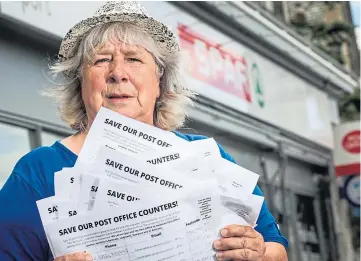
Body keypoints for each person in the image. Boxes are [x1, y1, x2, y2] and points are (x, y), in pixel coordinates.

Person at [0, 1, 288, 261]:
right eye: (101, 60)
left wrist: (259, 252)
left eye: (134, 59)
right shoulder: (38, 172)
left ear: (160, 81)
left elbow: (278, 249)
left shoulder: (207, 158)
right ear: (80, 82)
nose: (118, 72)